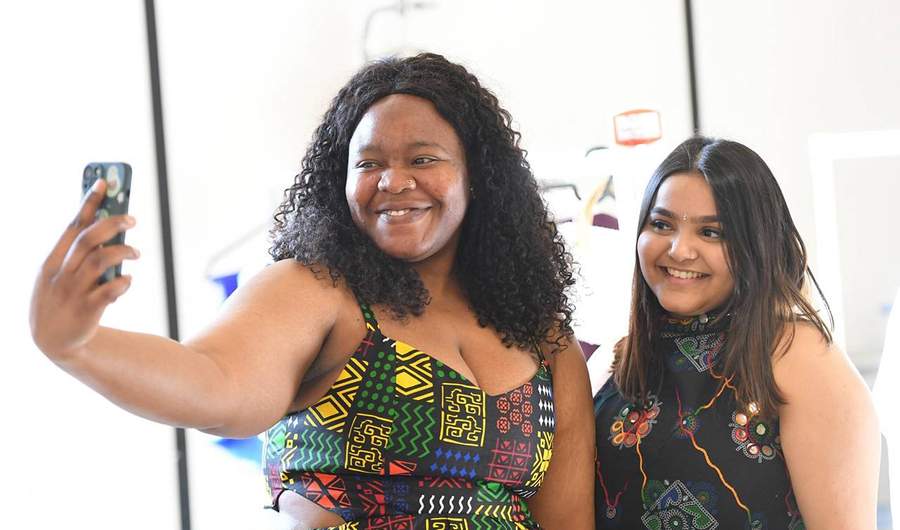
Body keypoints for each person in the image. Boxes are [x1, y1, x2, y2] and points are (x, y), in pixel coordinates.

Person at [29, 53, 594, 529]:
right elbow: (214, 384)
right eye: (368, 163)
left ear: (479, 177)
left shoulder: (545, 342)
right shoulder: (318, 291)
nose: (392, 181)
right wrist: (79, 345)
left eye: (423, 159)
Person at [592, 137, 880, 529]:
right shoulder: (625, 355)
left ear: (756, 245)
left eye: (711, 233)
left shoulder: (797, 354)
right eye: (661, 224)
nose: (679, 250)